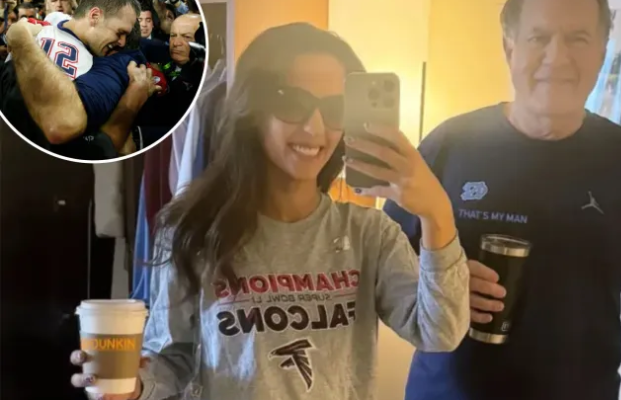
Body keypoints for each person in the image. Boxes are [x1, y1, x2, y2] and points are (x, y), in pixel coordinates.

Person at [69, 22, 470, 400]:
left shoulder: (369, 234)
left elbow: (440, 332)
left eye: (334, 109)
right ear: (254, 109)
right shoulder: (192, 231)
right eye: (293, 102)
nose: (315, 128)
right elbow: (173, 359)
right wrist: (134, 385)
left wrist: (437, 213)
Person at [384, 0, 621, 399]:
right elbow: (384, 265)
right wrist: (440, 280)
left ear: (602, 50)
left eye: (578, 39)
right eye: (539, 37)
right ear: (510, 46)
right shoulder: (449, 145)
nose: (557, 57)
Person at [1, 0, 158, 158]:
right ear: (94, 16)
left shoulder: (103, 64)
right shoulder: (54, 22)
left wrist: (20, 35)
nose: (122, 42)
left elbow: (62, 126)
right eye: (119, 32)